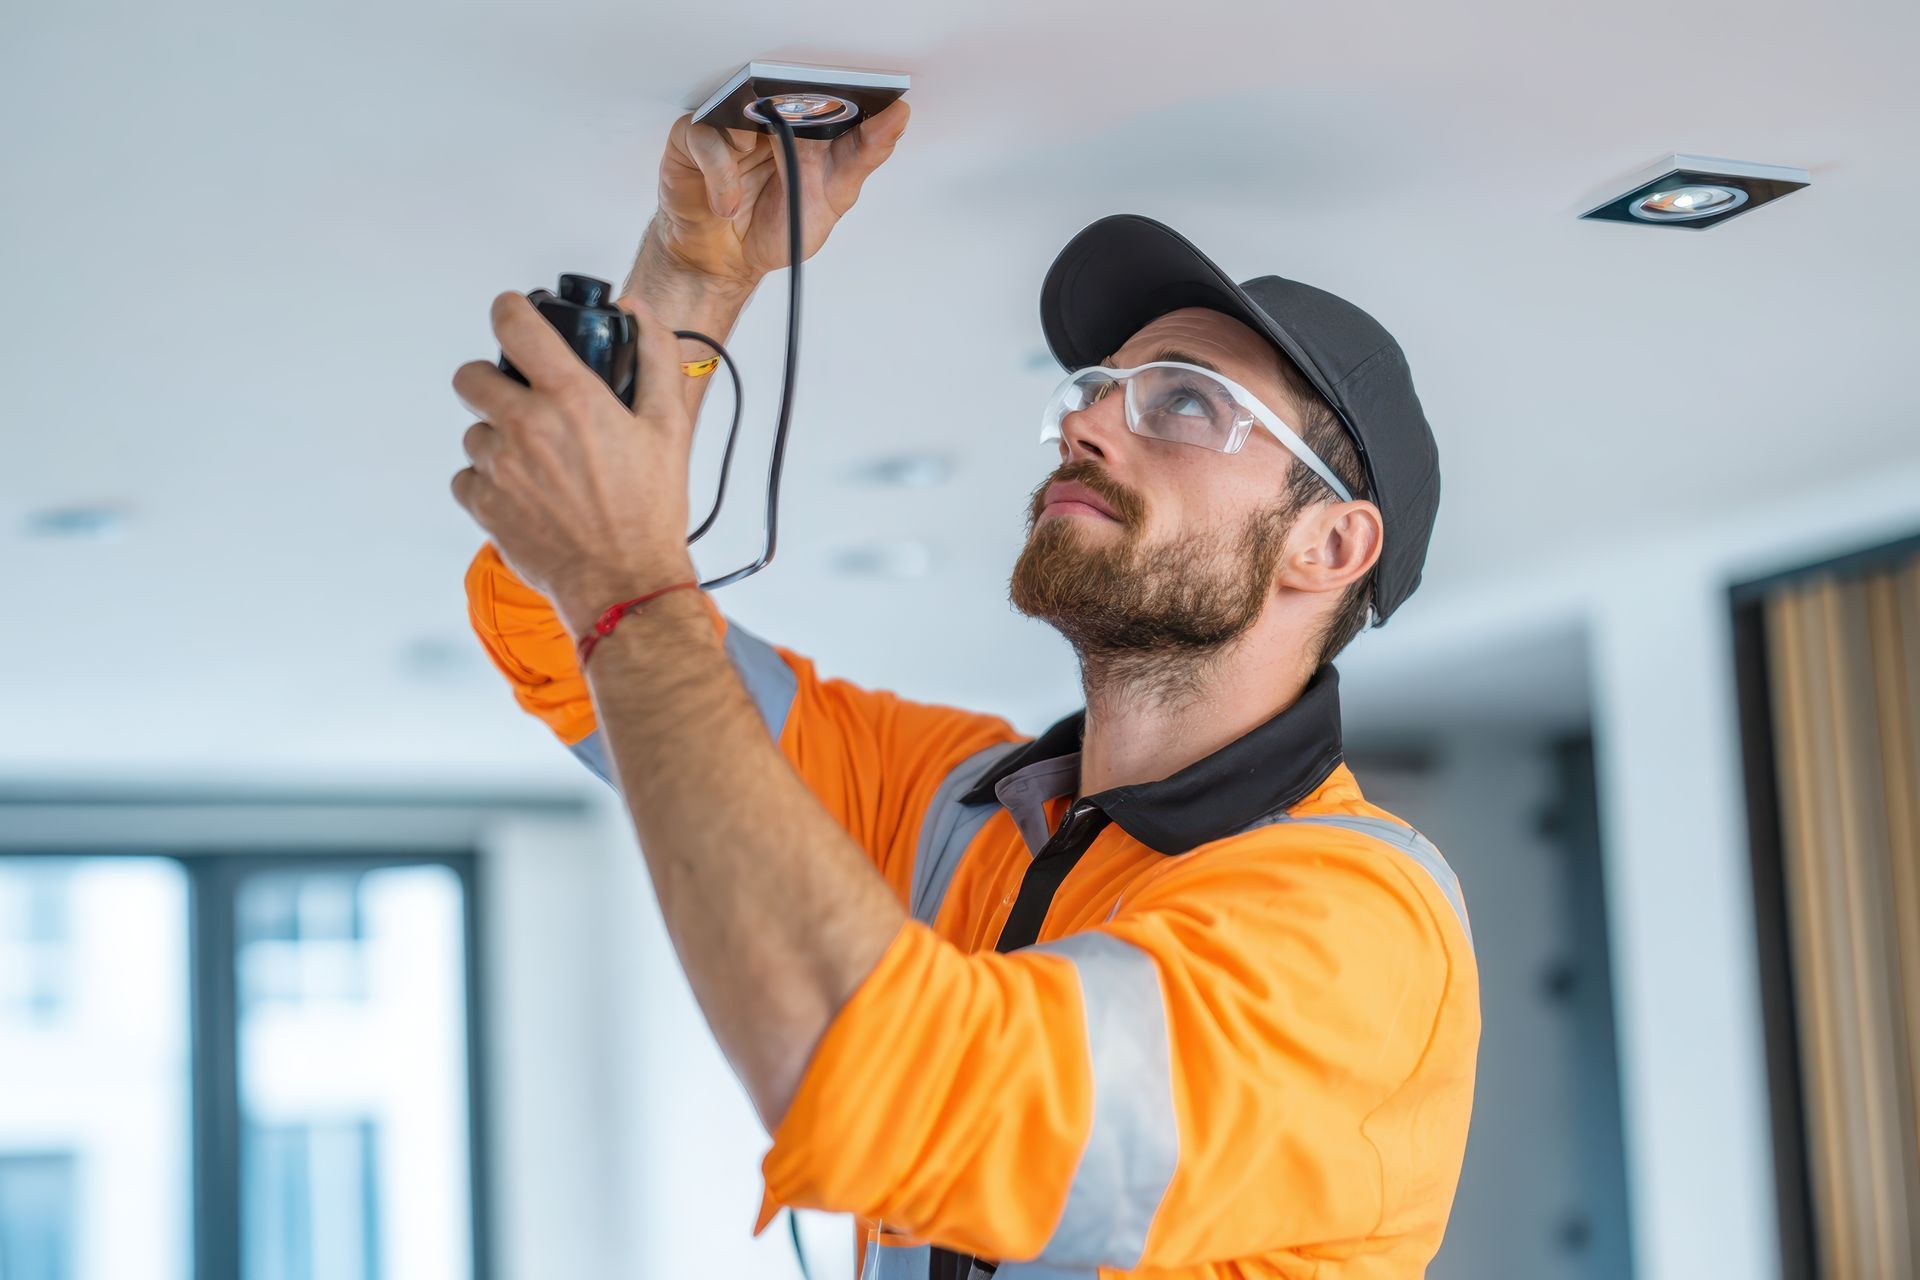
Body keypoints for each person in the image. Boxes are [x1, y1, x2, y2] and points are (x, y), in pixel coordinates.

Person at [450, 100, 1478, 1279]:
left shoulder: (1358, 923)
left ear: (1332, 548)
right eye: (1097, 385)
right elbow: (556, 619)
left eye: (1186, 399)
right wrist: (689, 279)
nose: (1086, 417)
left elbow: (913, 1092)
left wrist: (631, 580)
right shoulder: (956, 801)